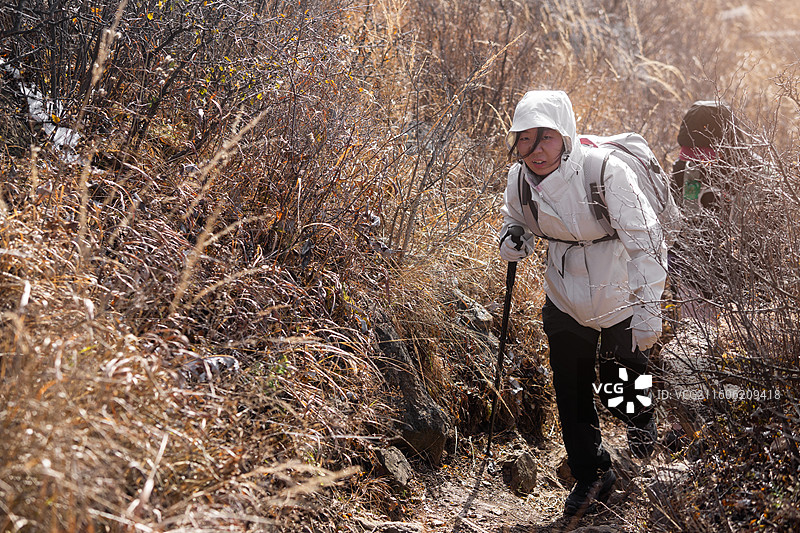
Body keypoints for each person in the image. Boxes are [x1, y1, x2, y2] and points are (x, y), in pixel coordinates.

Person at [497, 90, 667, 516]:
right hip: (564, 295)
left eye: (546, 138)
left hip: (620, 291)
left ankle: (639, 419)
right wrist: (512, 240)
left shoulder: (605, 172)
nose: (535, 151)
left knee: (617, 382)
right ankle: (592, 473)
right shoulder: (518, 180)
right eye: (525, 139)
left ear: (566, 136)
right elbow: (515, 219)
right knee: (569, 385)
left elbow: (646, 241)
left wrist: (648, 309)